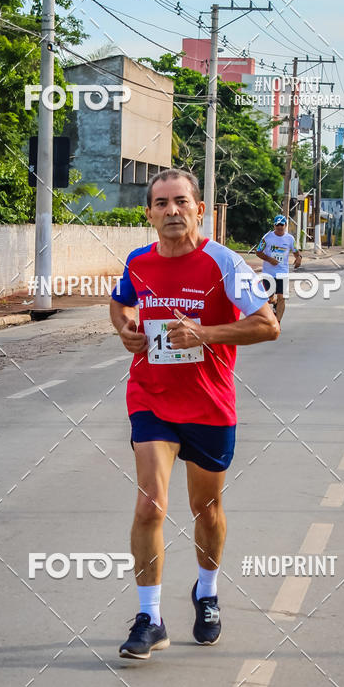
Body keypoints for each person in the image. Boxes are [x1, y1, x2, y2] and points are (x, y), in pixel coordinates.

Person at [110, 168, 279, 660]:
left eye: (181, 201)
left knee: (206, 511)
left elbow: (267, 326)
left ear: (199, 209)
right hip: (152, 399)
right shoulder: (138, 261)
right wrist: (126, 330)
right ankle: (150, 618)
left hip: (209, 405)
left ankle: (206, 593)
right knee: (149, 505)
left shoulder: (224, 263)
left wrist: (205, 334)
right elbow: (121, 306)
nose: (171, 211)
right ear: (149, 213)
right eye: (161, 203)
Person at [254, 214, 302, 322]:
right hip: (269, 273)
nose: (280, 227)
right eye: (277, 225)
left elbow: (295, 252)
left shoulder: (290, 239)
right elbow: (258, 252)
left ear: (285, 225)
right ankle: (273, 302)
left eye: (282, 225)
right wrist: (270, 259)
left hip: (282, 273)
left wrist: (298, 258)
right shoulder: (267, 238)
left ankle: (278, 322)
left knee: (282, 297)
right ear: (274, 226)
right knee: (268, 298)